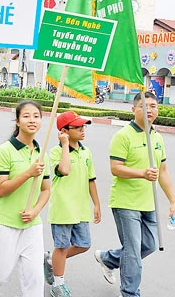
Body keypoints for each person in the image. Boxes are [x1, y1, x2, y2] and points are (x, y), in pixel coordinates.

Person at [94, 92, 175, 297]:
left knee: (149, 245)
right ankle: (130, 293)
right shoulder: (123, 136)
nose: (149, 110)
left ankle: (109, 259)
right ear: (133, 110)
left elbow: (163, 171)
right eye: (144, 106)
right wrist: (142, 173)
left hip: (149, 203)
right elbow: (116, 168)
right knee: (133, 252)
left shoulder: (157, 137)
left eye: (154, 106)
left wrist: (173, 200)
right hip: (125, 202)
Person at [0, 100, 51, 296]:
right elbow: (0, 189)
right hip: (5, 224)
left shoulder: (42, 153)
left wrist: (35, 211)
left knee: (35, 278)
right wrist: (28, 173)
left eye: (36, 116)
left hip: (32, 226)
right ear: (17, 121)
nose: (32, 120)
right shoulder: (5, 150)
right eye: (26, 116)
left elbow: (46, 190)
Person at [47, 111, 101, 297]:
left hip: (80, 209)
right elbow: (65, 170)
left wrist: (96, 204)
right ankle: (58, 284)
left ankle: (51, 261)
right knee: (61, 247)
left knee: (84, 244)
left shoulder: (86, 152)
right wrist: (63, 145)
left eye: (83, 126)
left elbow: (91, 180)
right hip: (63, 208)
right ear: (64, 131)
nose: (82, 130)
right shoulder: (55, 152)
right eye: (77, 127)